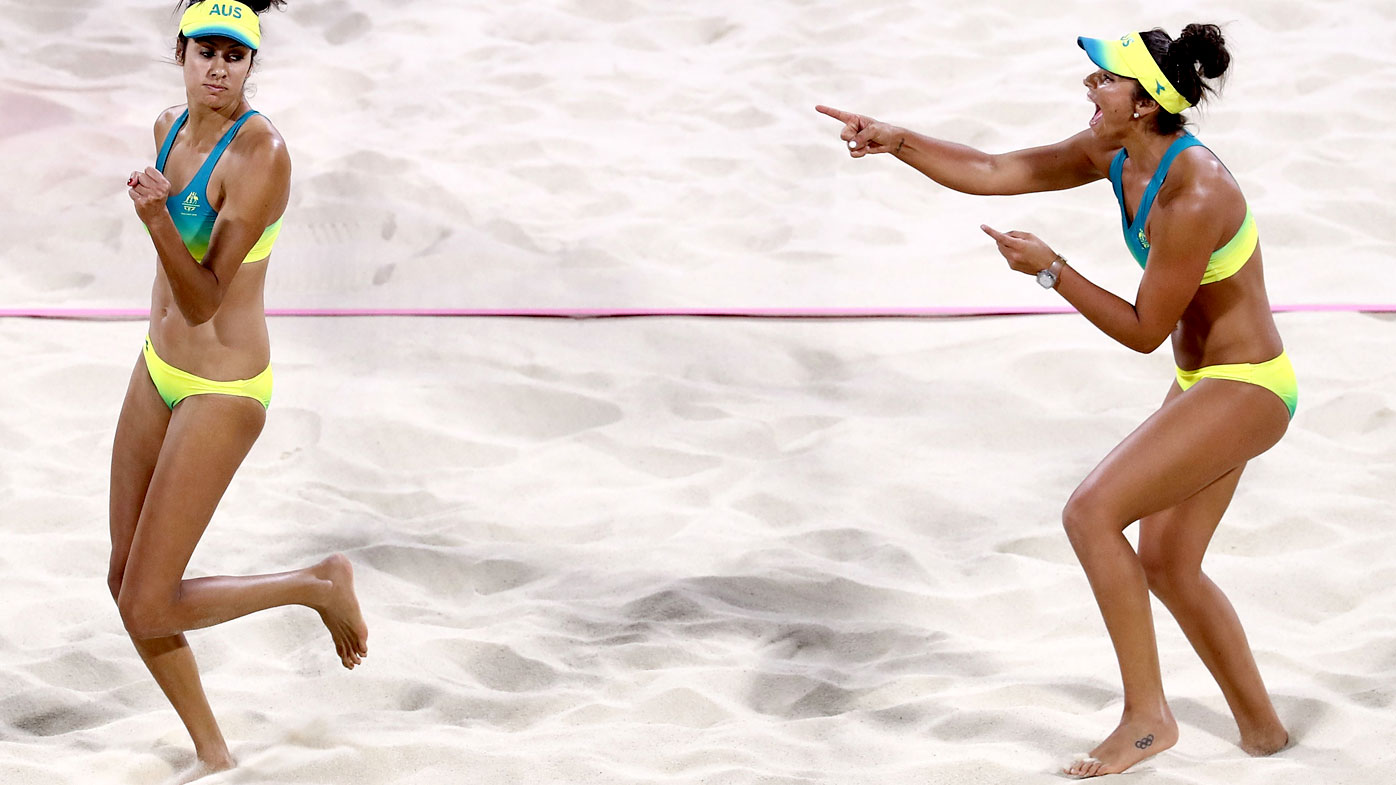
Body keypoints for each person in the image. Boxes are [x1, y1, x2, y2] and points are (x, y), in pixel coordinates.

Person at [818, 24, 1293, 778]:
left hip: (1249, 386)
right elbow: (997, 167)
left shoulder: (1194, 190)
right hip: (1204, 383)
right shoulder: (1115, 151)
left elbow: (1144, 330)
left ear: (1145, 104)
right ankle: (1267, 736)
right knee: (1169, 563)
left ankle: (1147, 718)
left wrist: (1052, 272)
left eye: (1106, 79)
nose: (1090, 86)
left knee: (1091, 511)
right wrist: (898, 140)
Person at [114, 1, 367, 778]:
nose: (220, 67)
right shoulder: (166, 126)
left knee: (149, 602)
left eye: (236, 55)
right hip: (158, 368)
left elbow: (203, 297)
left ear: (252, 66)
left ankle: (316, 583)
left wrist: (157, 217)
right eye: (206, 52)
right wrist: (160, 216)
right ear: (180, 55)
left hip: (223, 389)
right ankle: (214, 751)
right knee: (125, 580)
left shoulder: (261, 154)